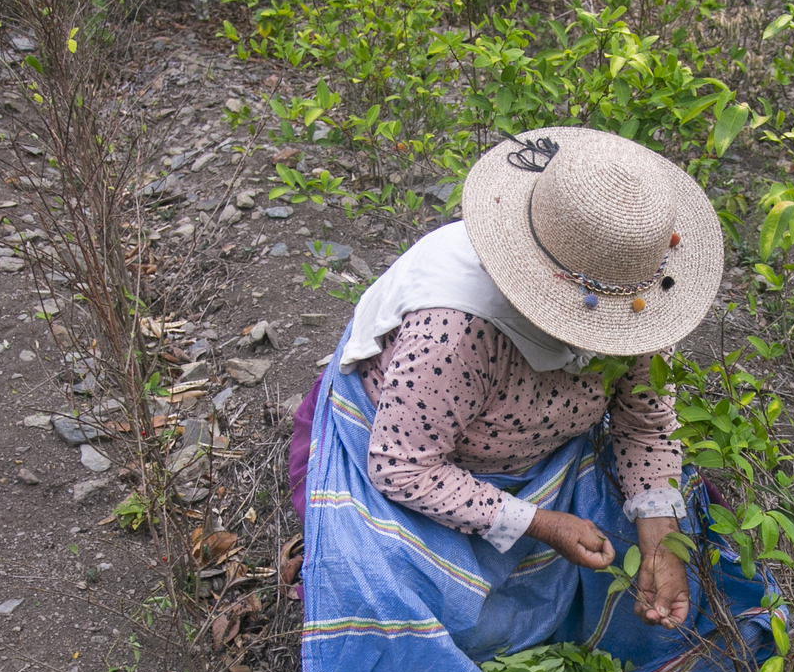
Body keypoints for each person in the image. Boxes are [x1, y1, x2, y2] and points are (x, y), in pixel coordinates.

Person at [289, 126, 724, 629]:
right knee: (383, 602)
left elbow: (644, 426)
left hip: (540, 452)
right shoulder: (454, 333)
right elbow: (402, 467)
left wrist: (660, 538)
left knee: (695, 546)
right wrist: (539, 524)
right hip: (417, 457)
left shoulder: (635, 301)